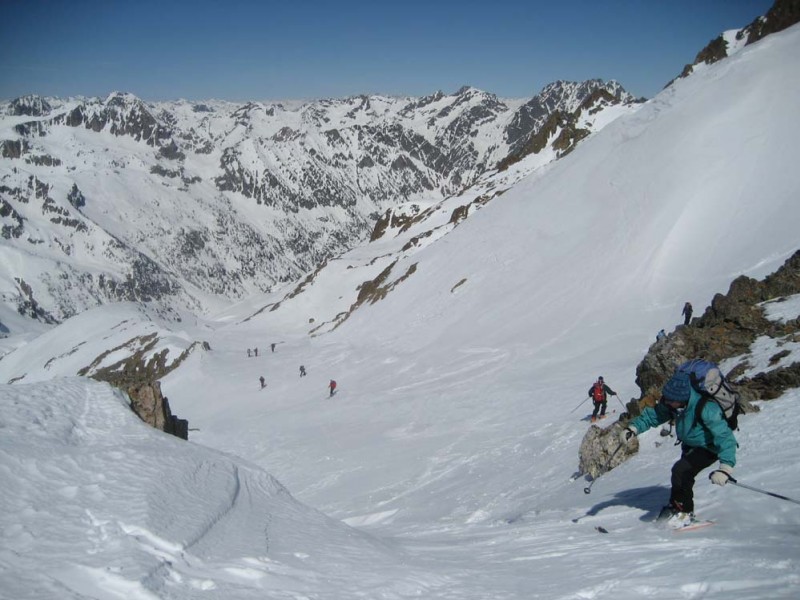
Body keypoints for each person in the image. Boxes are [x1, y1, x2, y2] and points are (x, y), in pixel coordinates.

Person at [619, 371, 736, 527]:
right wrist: (633, 428)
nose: (666, 402)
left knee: (681, 471)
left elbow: (725, 438)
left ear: (682, 399)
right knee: (681, 477)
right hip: (691, 445)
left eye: (671, 400)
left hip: (709, 447)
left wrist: (725, 468)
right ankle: (676, 507)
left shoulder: (707, 409)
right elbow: (654, 416)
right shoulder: (673, 404)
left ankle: (686, 514)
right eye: (666, 398)